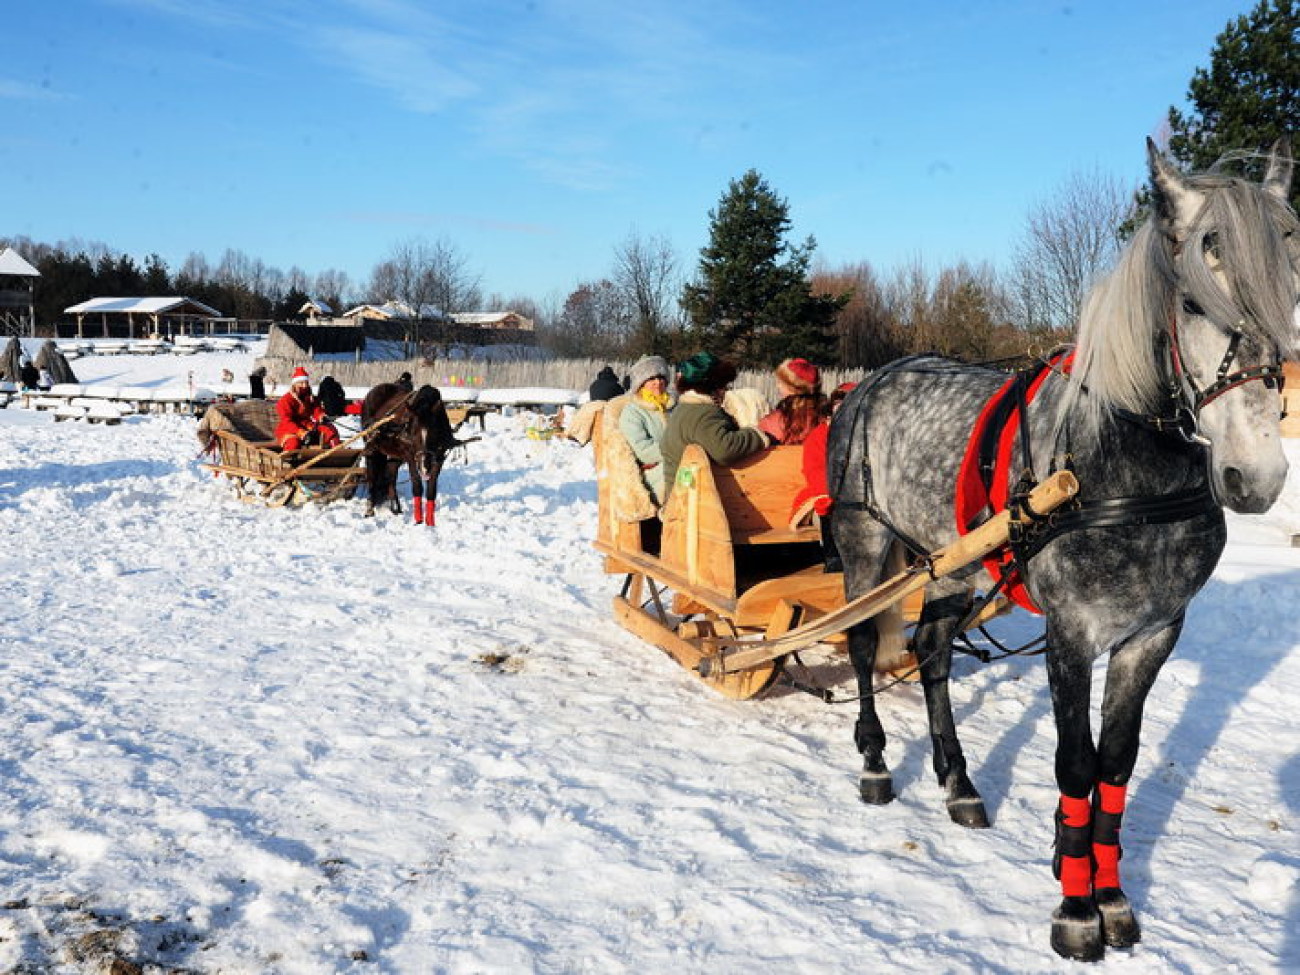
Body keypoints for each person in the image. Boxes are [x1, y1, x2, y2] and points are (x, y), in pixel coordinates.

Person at [660, 352, 771, 497]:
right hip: (690, 503)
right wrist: (757, 434)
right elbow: (724, 449)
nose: (724, 391)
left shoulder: (684, 409)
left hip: (680, 494)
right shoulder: (703, 413)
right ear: (711, 386)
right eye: (722, 386)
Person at [790, 382, 858, 572]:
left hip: (857, 498)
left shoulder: (862, 437)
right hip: (827, 495)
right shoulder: (818, 438)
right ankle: (834, 561)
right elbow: (816, 475)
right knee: (833, 513)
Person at [618, 355, 675, 505]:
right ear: (641, 383)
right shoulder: (633, 412)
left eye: (661, 377)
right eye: (651, 379)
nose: (658, 382)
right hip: (653, 471)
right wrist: (678, 449)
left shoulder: (675, 406)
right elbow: (643, 450)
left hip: (680, 461)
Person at [758, 357, 824, 445]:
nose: (778, 386)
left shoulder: (773, 422)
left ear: (792, 387)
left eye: (781, 383)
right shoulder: (824, 419)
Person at [275, 367, 340, 454]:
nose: (305, 386)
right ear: (295, 384)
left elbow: (316, 409)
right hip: (290, 429)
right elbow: (287, 421)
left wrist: (321, 416)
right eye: (301, 383)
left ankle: (337, 454)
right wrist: (300, 432)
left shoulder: (310, 397)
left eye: (306, 382)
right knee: (293, 443)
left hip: (308, 426)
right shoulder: (286, 400)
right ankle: (289, 463)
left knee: (329, 430)